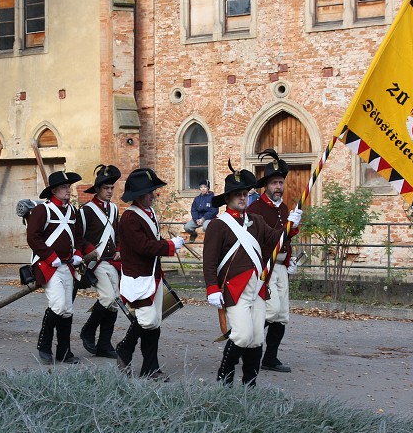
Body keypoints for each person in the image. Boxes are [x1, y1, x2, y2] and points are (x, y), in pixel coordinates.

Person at [203, 162, 301, 386]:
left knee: (257, 339)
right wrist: (212, 288)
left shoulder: (255, 221)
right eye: (237, 195)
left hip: (257, 287)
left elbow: (274, 239)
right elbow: (209, 261)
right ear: (228, 198)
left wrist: (290, 226)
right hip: (234, 289)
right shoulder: (219, 225)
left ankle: (250, 385)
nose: (242, 198)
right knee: (242, 335)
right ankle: (224, 380)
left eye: (245, 194)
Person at [116, 168, 184, 379]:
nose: (152, 195)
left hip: (152, 274)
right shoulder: (129, 218)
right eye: (149, 192)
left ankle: (149, 367)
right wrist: (170, 245)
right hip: (138, 276)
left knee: (153, 321)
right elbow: (144, 246)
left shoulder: (149, 213)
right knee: (147, 322)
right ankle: (127, 350)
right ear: (138, 195)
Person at [247, 149, 301, 373]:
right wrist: (288, 226)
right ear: (266, 185)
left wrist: (289, 260)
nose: (278, 187)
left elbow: (284, 240)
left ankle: (270, 357)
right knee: (270, 312)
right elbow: (257, 241)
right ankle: (246, 342)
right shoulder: (254, 209)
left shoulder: (285, 208)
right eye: (274, 183)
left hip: (280, 268)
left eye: (281, 182)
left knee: (281, 316)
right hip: (264, 269)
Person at [27, 169, 86, 365]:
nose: (68, 190)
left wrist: (77, 253)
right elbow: (33, 237)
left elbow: (77, 237)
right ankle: (44, 346)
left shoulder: (72, 211)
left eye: (69, 187)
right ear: (54, 190)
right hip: (47, 264)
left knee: (67, 309)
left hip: (67, 265)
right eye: (64, 187)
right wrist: (50, 256)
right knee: (58, 305)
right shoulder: (42, 210)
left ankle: (64, 351)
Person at [77, 164, 122, 358]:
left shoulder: (114, 209)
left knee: (114, 302)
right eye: (106, 188)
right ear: (97, 189)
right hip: (95, 262)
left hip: (111, 260)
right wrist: (90, 251)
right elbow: (78, 236)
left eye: (112, 188)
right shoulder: (86, 210)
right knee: (108, 298)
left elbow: (118, 234)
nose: (110, 191)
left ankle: (104, 344)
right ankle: (88, 330)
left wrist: (119, 249)